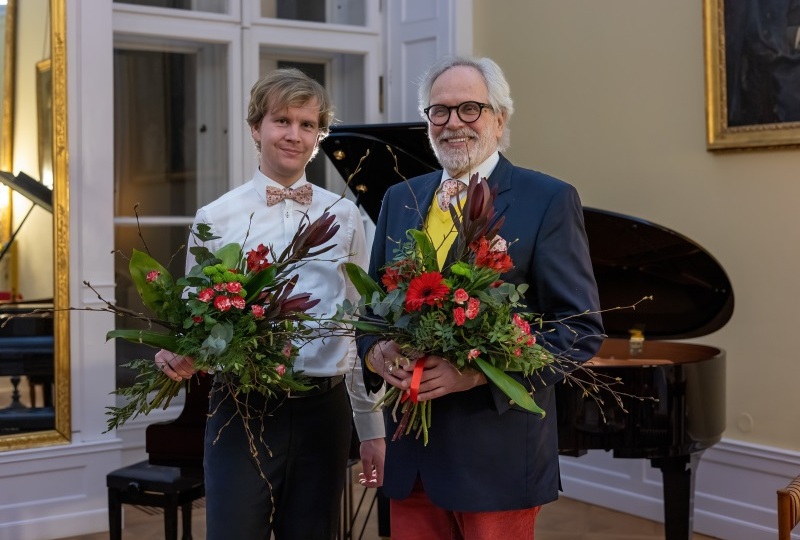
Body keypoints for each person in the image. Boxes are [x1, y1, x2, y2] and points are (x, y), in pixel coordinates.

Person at [357, 56, 604, 539]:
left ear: (499, 118)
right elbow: (371, 310)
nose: (453, 123)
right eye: (439, 111)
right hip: (411, 456)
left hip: (496, 458)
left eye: (470, 108)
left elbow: (578, 328)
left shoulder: (547, 199)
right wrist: (375, 352)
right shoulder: (399, 199)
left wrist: (475, 374)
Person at [155, 68, 386, 540]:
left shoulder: (345, 216)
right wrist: (180, 352)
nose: (294, 135)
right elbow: (195, 321)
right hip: (241, 407)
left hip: (324, 410)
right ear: (255, 128)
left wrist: (371, 427)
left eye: (307, 124)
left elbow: (359, 324)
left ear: (319, 137)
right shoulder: (215, 217)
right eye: (282, 120)